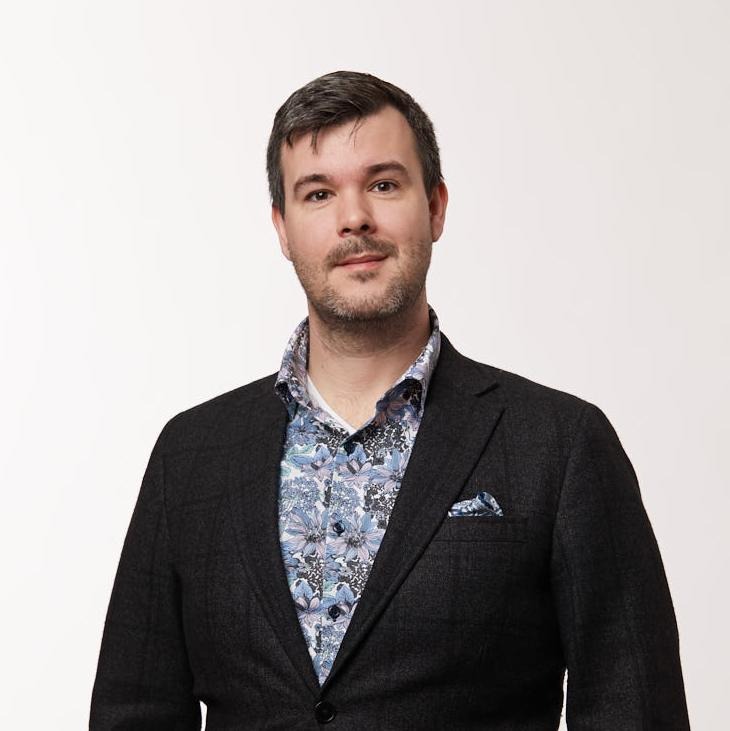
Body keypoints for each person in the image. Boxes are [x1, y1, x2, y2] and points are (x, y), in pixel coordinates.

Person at [90, 70, 690, 729]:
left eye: (383, 184)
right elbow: (133, 711)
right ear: (282, 228)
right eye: (319, 193)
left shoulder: (559, 444)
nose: (354, 218)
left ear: (435, 207)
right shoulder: (192, 454)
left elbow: (636, 709)